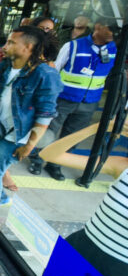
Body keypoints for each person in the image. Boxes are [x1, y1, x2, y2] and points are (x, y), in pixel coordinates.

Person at [0, 26, 63, 219]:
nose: (5, 46)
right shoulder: (5, 66)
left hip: (16, 135)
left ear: (28, 47)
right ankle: (1, 197)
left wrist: (29, 147)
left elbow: (45, 115)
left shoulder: (45, 74)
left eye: (11, 42)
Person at [39, 120, 128, 276]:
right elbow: (49, 155)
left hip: (118, 272)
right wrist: (100, 127)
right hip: (81, 247)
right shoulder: (123, 166)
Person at [27, 17, 116, 182]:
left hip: (89, 102)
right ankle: (38, 159)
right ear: (98, 27)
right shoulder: (73, 46)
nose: (114, 34)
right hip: (64, 98)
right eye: (111, 29)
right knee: (49, 131)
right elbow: (56, 68)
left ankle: (55, 163)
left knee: (72, 136)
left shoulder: (114, 50)